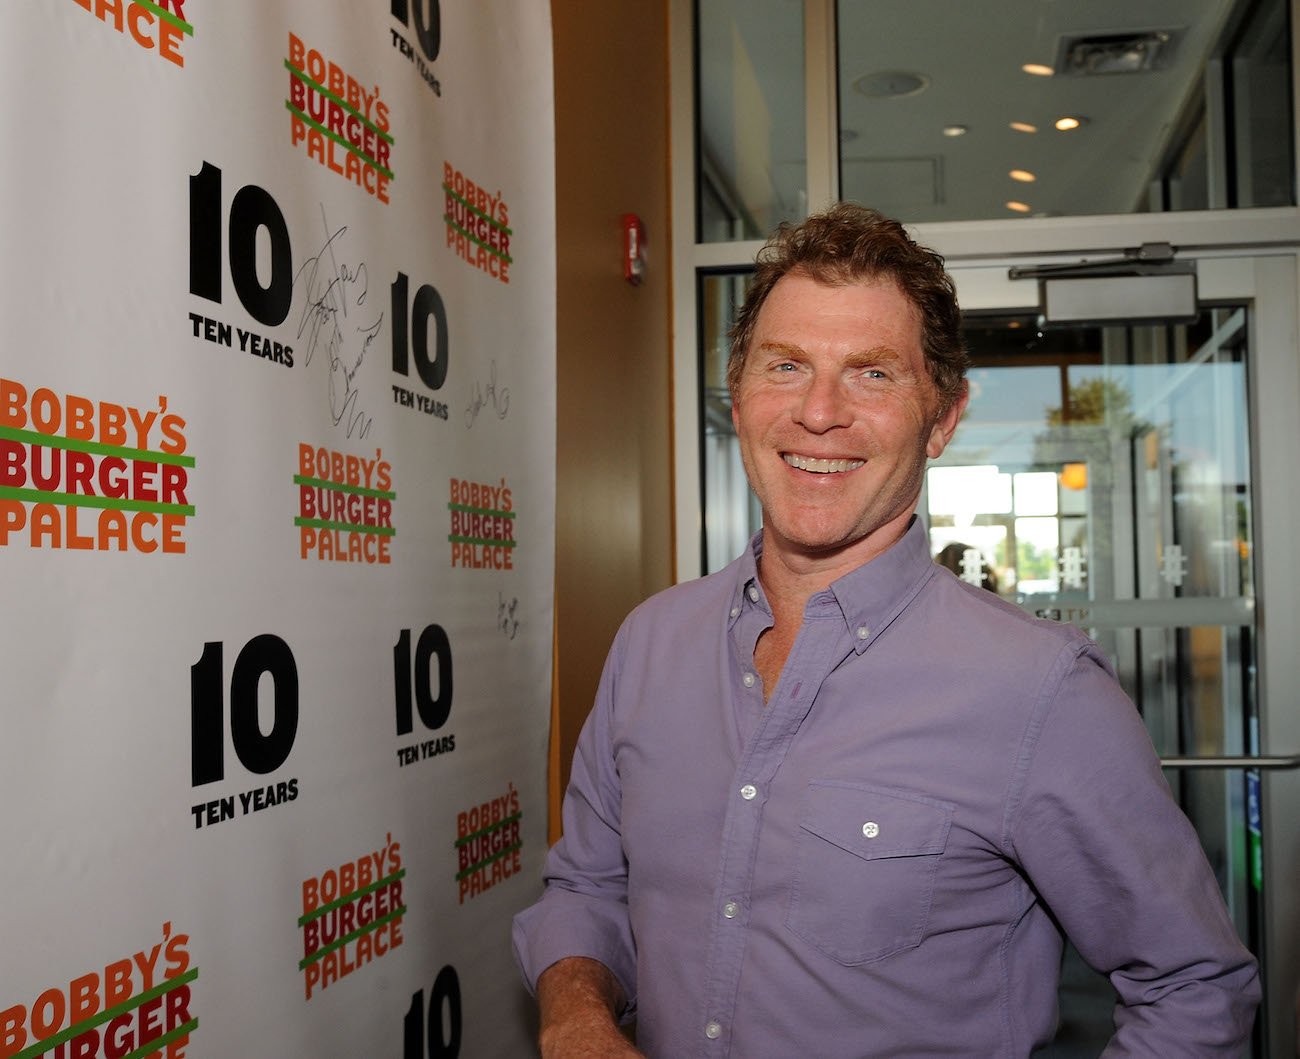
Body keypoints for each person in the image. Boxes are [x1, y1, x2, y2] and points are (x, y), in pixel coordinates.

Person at [512, 204, 1260, 1057]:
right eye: (786, 364)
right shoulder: (650, 644)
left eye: (871, 373)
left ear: (942, 419)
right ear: (739, 388)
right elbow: (586, 885)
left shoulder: (1040, 690)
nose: (819, 412)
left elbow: (1195, 988)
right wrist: (576, 1015)